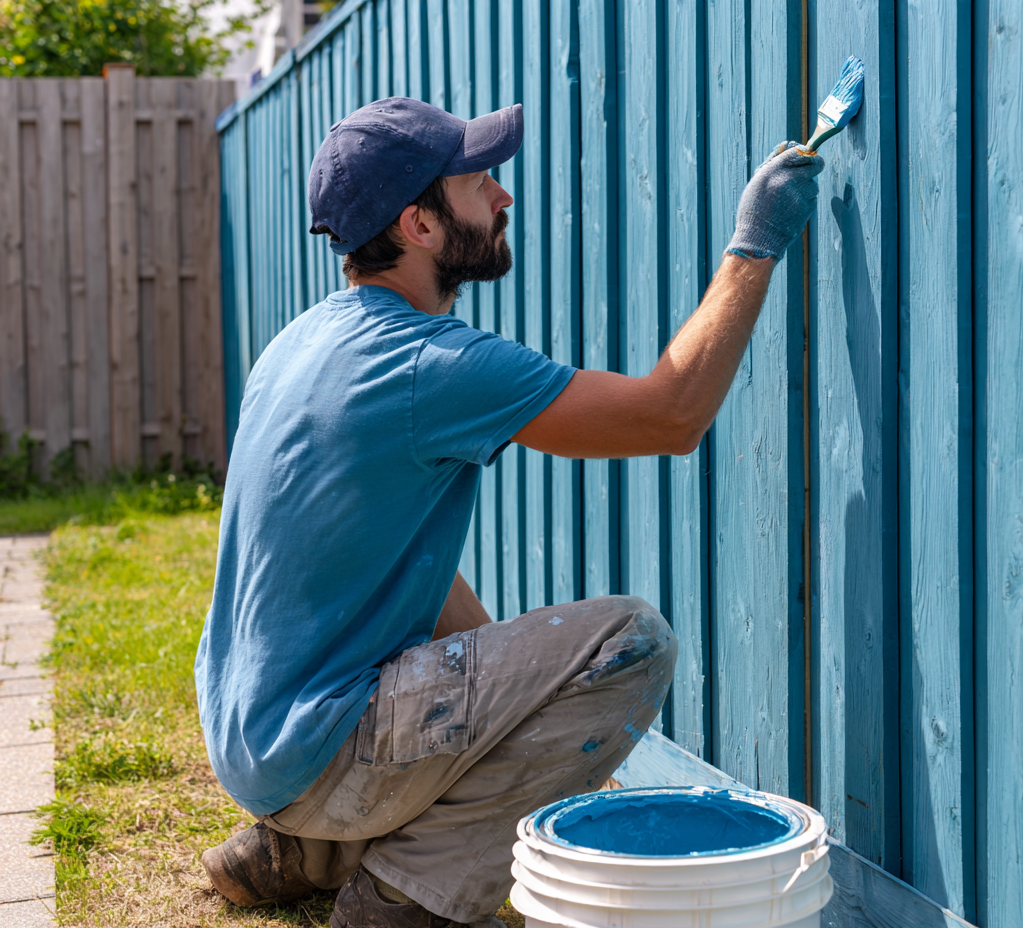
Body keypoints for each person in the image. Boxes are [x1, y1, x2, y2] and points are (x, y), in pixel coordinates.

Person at [196, 96, 823, 928]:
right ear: (418, 224)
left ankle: (302, 848)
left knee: (465, 651)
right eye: (478, 180)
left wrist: (498, 718)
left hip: (253, 739)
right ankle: (403, 897)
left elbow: (391, 551)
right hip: (315, 748)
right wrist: (756, 242)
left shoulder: (301, 341)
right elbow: (669, 415)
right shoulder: (429, 361)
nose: (502, 196)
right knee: (630, 642)